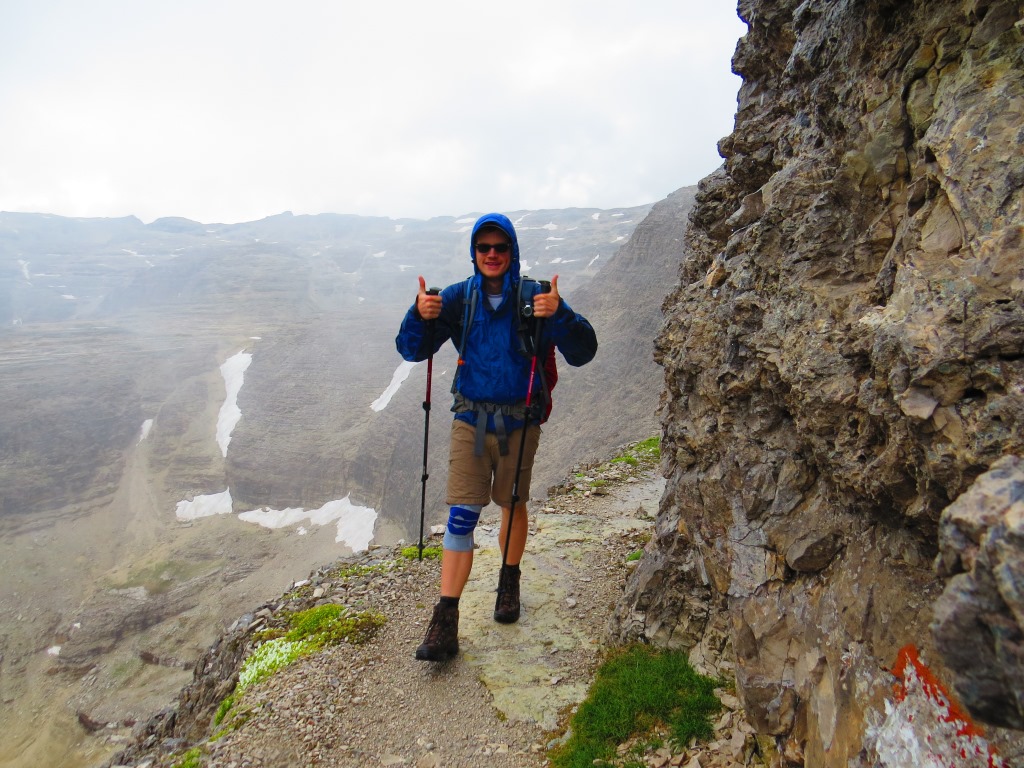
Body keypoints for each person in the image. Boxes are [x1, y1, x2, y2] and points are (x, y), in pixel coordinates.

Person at [396, 212, 598, 661]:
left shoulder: (535, 297)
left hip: (520, 421)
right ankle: (445, 619)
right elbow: (412, 349)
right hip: (470, 419)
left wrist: (560, 314)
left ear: (512, 252)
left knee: (511, 503)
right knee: (462, 514)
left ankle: (509, 581)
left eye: (499, 247)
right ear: (473, 253)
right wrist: (418, 315)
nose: (491, 254)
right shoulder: (457, 299)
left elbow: (584, 351)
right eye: (483, 247)